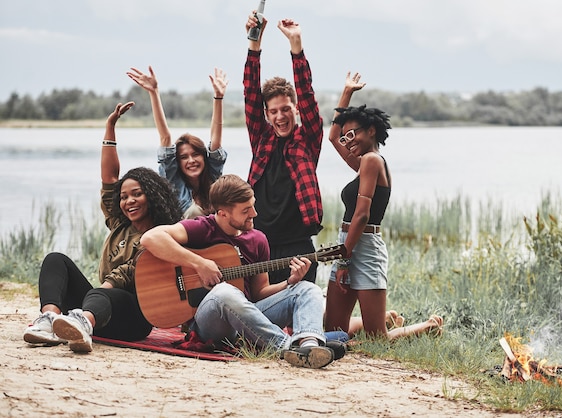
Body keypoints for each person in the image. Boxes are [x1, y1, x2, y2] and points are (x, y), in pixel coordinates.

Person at [140, 174, 346, 369]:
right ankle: (288, 347)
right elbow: (150, 238)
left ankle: (309, 344)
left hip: (249, 320)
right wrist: (199, 263)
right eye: (245, 210)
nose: (254, 214)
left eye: (253, 206)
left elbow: (259, 293)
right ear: (222, 213)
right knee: (224, 292)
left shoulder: (257, 239)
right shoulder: (203, 228)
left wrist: (289, 282)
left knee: (308, 288)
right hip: (210, 323)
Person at [23, 102, 182, 353]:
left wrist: (95, 296)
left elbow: (127, 274)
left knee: (108, 294)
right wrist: (110, 127)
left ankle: (84, 323)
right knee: (56, 260)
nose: (128, 201)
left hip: (133, 318)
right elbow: (109, 178)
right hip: (96, 306)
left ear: (151, 197)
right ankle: (48, 321)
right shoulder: (120, 224)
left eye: (137, 194)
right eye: (124, 196)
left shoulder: (163, 234)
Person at [324, 72, 444, 340]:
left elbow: (363, 214)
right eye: (347, 137)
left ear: (371, 131)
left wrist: (345, 258)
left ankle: (428, 327)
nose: (348, 141)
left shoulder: (371, 161)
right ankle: (388, 318)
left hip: (363, 247)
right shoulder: (364, 162)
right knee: (333, 332)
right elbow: (332, 136)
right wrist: (346, 93)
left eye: (353, 134)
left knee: (376, 339)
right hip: (347, 241)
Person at [243, 13, 324, 285]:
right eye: (274, 111)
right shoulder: (261, 139)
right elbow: (250, 94)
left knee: (301, 316)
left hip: (298, 246)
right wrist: (255, 44)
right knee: (262, 319)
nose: (280, 117)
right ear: (266, 114)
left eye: (286, 109)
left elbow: (307, 94)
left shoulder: (307, 140)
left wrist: (296, 46)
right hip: (260, 244)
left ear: (296, 109)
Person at [127, 66, 228, 218]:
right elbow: (165, 137)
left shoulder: (213, 178)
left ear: (204, 157)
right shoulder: (173, 183)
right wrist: (154, 93)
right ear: (177, 162)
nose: (191, 160)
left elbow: (215, 140)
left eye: (195, 154)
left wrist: (218, 98)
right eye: (184, 157)